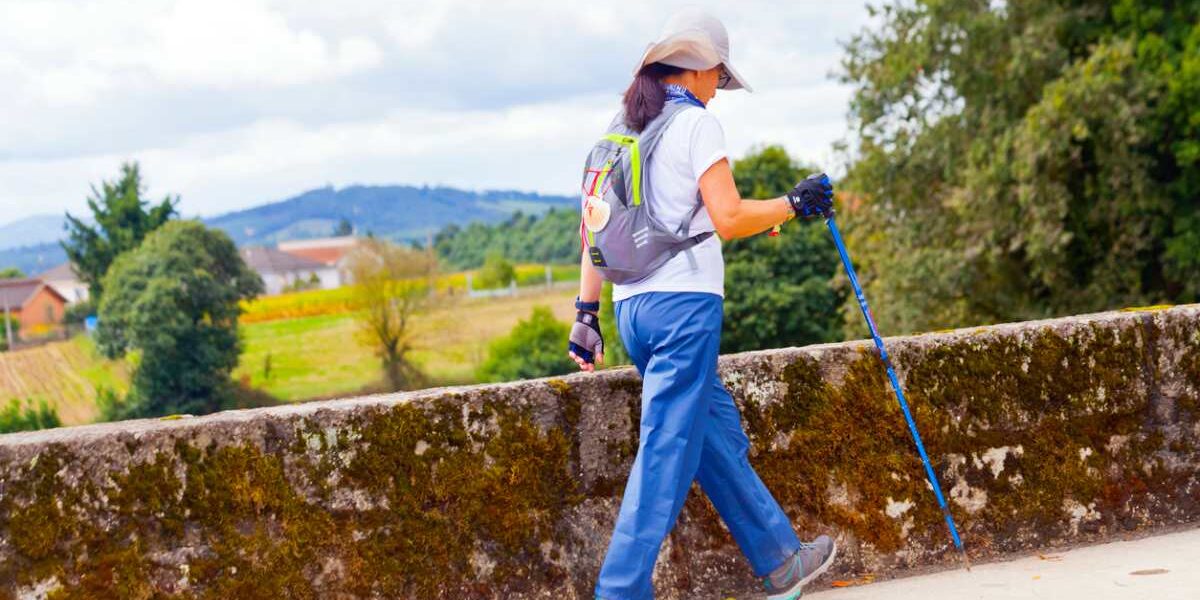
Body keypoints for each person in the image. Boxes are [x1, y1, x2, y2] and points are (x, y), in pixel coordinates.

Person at [567, 9, 838, 600]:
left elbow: (594, 230)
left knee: (712, 432)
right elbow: (730, 217)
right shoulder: (694, 125)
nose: (720, 89)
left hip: (630, 311)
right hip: (684, 309)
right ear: (696, 70)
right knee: (665, 452)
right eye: (719, 76)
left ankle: (780, 558)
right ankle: (620, 591)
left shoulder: (620, 128)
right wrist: (795, 203)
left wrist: (585, 316)